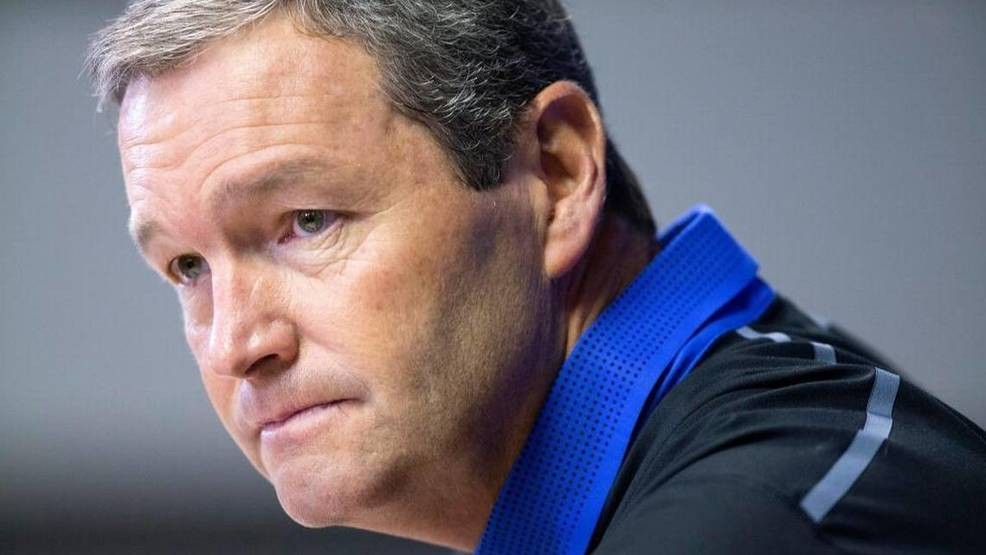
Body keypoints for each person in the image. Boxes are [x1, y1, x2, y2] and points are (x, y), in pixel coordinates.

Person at [85, 1, 986, 553]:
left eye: (307, 221)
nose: (236, 343)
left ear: (555, 176)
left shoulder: (763, 519)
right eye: (188, 266)